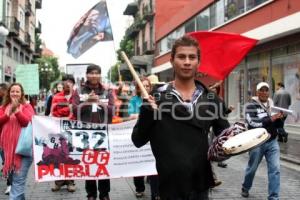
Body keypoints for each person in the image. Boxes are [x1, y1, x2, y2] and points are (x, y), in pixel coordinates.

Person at [132, 35, 230, 200]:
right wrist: (148, 111)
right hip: (169, 185)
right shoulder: (156, 98)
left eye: (192, 57)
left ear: (198, 62)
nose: (187, 62)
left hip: (200, 185)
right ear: (171, 61)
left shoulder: (211, 99)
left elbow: (225, 137)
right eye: (181, 56)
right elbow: (138, 140)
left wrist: (237, 141)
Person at [241, 82, 283, 199]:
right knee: (252, 168)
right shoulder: (250, 105)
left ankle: (274, 197)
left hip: (272, 141)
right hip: (257, 142)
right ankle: (246, 187)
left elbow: (276, 122)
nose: (264, 92)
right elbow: (253, 124)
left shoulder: (272, 105)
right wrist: (270, 119)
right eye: (262, 90)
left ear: (269, 92)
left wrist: (281, 120)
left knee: (275, 169)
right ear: (257, 92)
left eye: (266, 90)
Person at [79, 64, 113, 200]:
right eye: (91, 73)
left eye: (96, 73)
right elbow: (74, 110)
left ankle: (104, 193)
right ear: (87, 75)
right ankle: (91, 194)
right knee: (89, 163)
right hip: (85, 134)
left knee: (103, 164)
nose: (94, 75)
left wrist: (100, 103)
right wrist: (87, 101)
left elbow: (112, 111)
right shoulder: (79, 91)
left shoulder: (107, 91)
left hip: (103, 134)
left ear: (100, 75)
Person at [0, 83, 35, 199]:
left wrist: (17, 112)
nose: (14, 93)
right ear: (8, 93)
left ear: (22, 94)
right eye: (12, 91)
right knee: (16, 181)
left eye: (17, 91)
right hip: (9, 151)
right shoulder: (3, 107)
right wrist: (8, 114)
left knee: (18, 181)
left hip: (24, 150)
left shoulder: (27, 107)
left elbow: (27, 122)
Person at [128, 77, 159, 199]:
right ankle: (139, 188)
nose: (145, 88)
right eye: (143, 86)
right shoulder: (134, 100)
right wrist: (145, 113)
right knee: (139, 162)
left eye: (147, 86)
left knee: (153, 163)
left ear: (150, 88)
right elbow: (131, 116)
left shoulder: (154, 99)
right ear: (138, 88)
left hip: (152, 136)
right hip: (140, 134)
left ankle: (155, 192)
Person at [50, 74, 80, 192]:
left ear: (73, 84)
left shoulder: (77, 97)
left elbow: (78, 112)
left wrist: (69, 110)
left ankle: (70, 182)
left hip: (74, 130)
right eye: (65, 82)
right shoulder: (56, 97)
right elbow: (54, 113)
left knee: (71, 156)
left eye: (70, 82)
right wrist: (69, 108)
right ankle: (58, 182)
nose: (67, 84)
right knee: (58, 155)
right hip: (59, 129)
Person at [0, 83, 12, 195]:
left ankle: (11, 184)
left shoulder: (21, 105)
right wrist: (7, 114)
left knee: (10, 162)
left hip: (14, 139)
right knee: (6, 161)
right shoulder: (3, 106)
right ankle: (10, 184)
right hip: (2, 139)